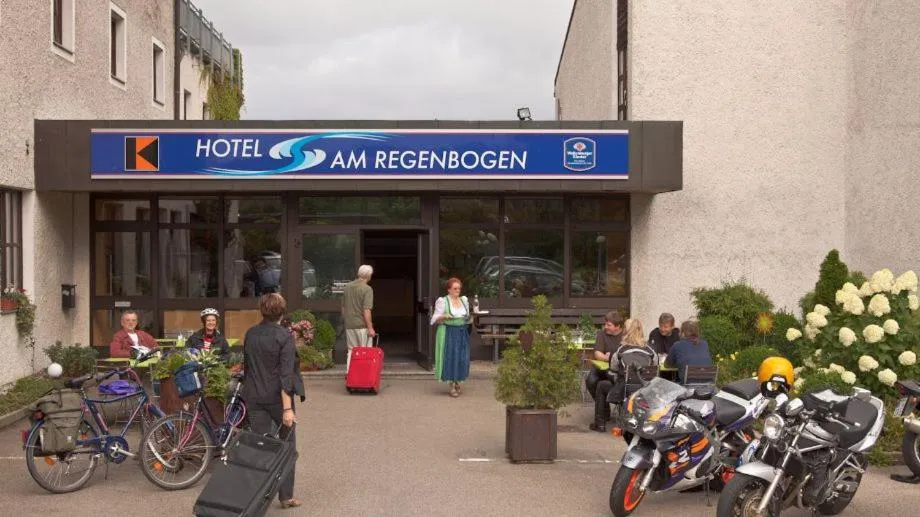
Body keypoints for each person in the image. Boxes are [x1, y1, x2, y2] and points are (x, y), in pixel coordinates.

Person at [242, 293, 304, 509]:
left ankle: (257, 497)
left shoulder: (251, 333)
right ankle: (286, 497)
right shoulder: (284, 336)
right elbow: (286, 376)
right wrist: (288, 409)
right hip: (278, 400)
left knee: (262, 447)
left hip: (254, 397)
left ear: (262, 310)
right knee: (286, 447)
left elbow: (247, 367)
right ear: (282, 311)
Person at [591, 318, 658, 433]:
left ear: (626, 332)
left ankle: (600, 424)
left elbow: (613, 369)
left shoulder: (620, 350)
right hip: (645, 392)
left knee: (602, 385)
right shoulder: (651, 352)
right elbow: (654, 368)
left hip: (624, 391)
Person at [430, 277, 472, 397]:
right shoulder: (443, 301)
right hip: (448, 332)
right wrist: (443, 316)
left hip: (461, 332)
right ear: (448, 289)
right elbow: (434, 320)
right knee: (451, 357)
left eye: (459, 288)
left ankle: (458, 380)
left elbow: (467, 316)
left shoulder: (464, 300)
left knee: (462, 357)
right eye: (455, 288)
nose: (457, 290)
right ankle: (452, 384)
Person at [585, 311, 625, 405]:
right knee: (590, 381)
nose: (605, 327)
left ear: (617, 326)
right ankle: (602, 405)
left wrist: (609, 356)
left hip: (618, 369)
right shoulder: (601, 334)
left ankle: (615, 402)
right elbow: (597, 354)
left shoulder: (625, 335)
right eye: (605, 324)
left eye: (609, 325)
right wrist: (610, 358)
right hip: (601, 368)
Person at [342, 264, 376, 372]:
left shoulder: (347, 287)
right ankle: (364, 376)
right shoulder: (367, 289)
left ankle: (350, 375)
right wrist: (370, 327)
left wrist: (347, 320)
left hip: (350, 324)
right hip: (362, 326)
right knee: (365, 351)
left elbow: (343, 307)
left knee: (351, 351)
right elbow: (366, 310)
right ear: (369, 275)